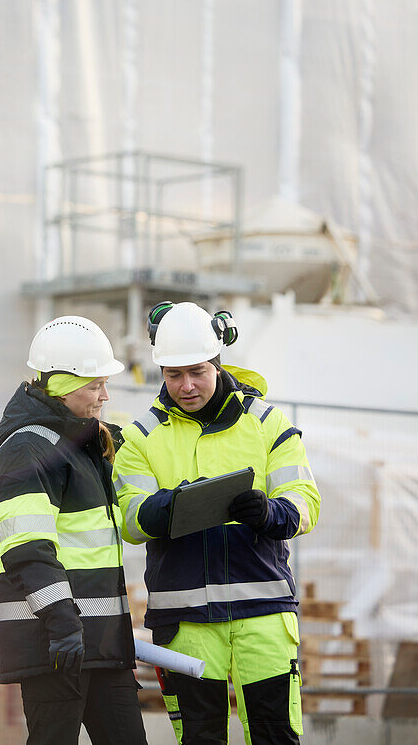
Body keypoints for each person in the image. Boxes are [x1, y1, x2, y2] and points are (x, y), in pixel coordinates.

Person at [113, 301, 320, 744]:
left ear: (218, 363)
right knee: (201, 739)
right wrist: (169, 508)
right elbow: (129, 518)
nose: (186, 386)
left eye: (197, 372)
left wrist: (271, 513)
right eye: (173, 375)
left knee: (275, 736)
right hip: (185, 622)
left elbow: (305, 502)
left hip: (262, 614)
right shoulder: (141, 436)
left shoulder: (267, 423)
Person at [0, 315, 148, 745]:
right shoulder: (27, 448)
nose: (105, 395)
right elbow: (27, 548)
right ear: (60, 385)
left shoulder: (82, 443)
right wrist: (62, 624)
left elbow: (145, 441)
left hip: (99, 644)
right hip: (57, 644)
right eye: (95, 386)